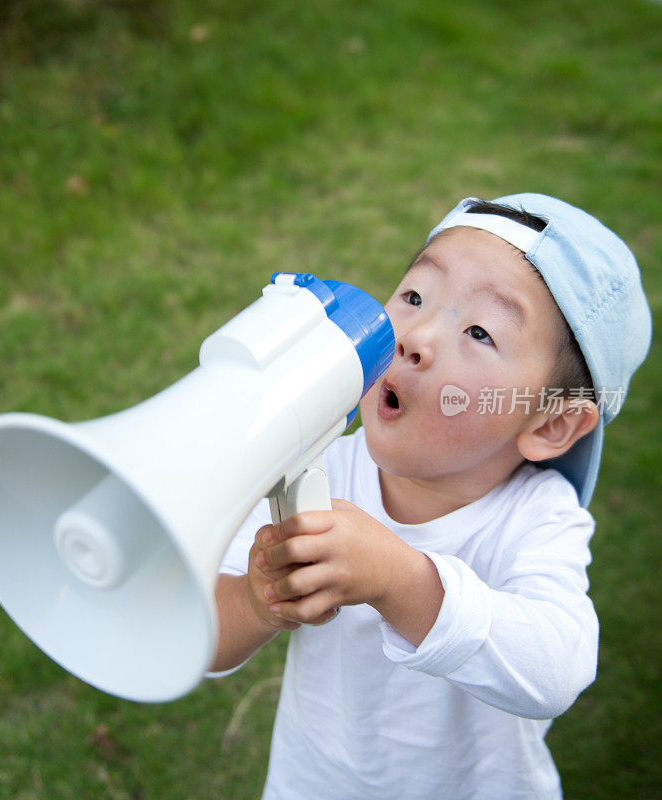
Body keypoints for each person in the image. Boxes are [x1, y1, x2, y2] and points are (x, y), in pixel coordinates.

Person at [207, 193, 652, 800]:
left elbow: (558, 669)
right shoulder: (316, 462)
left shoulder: (537, 516)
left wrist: (401, 582)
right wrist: (259, 603)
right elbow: (200, 632)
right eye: (415, 296)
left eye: (479, 331)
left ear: (550, 424)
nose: (416, 335)